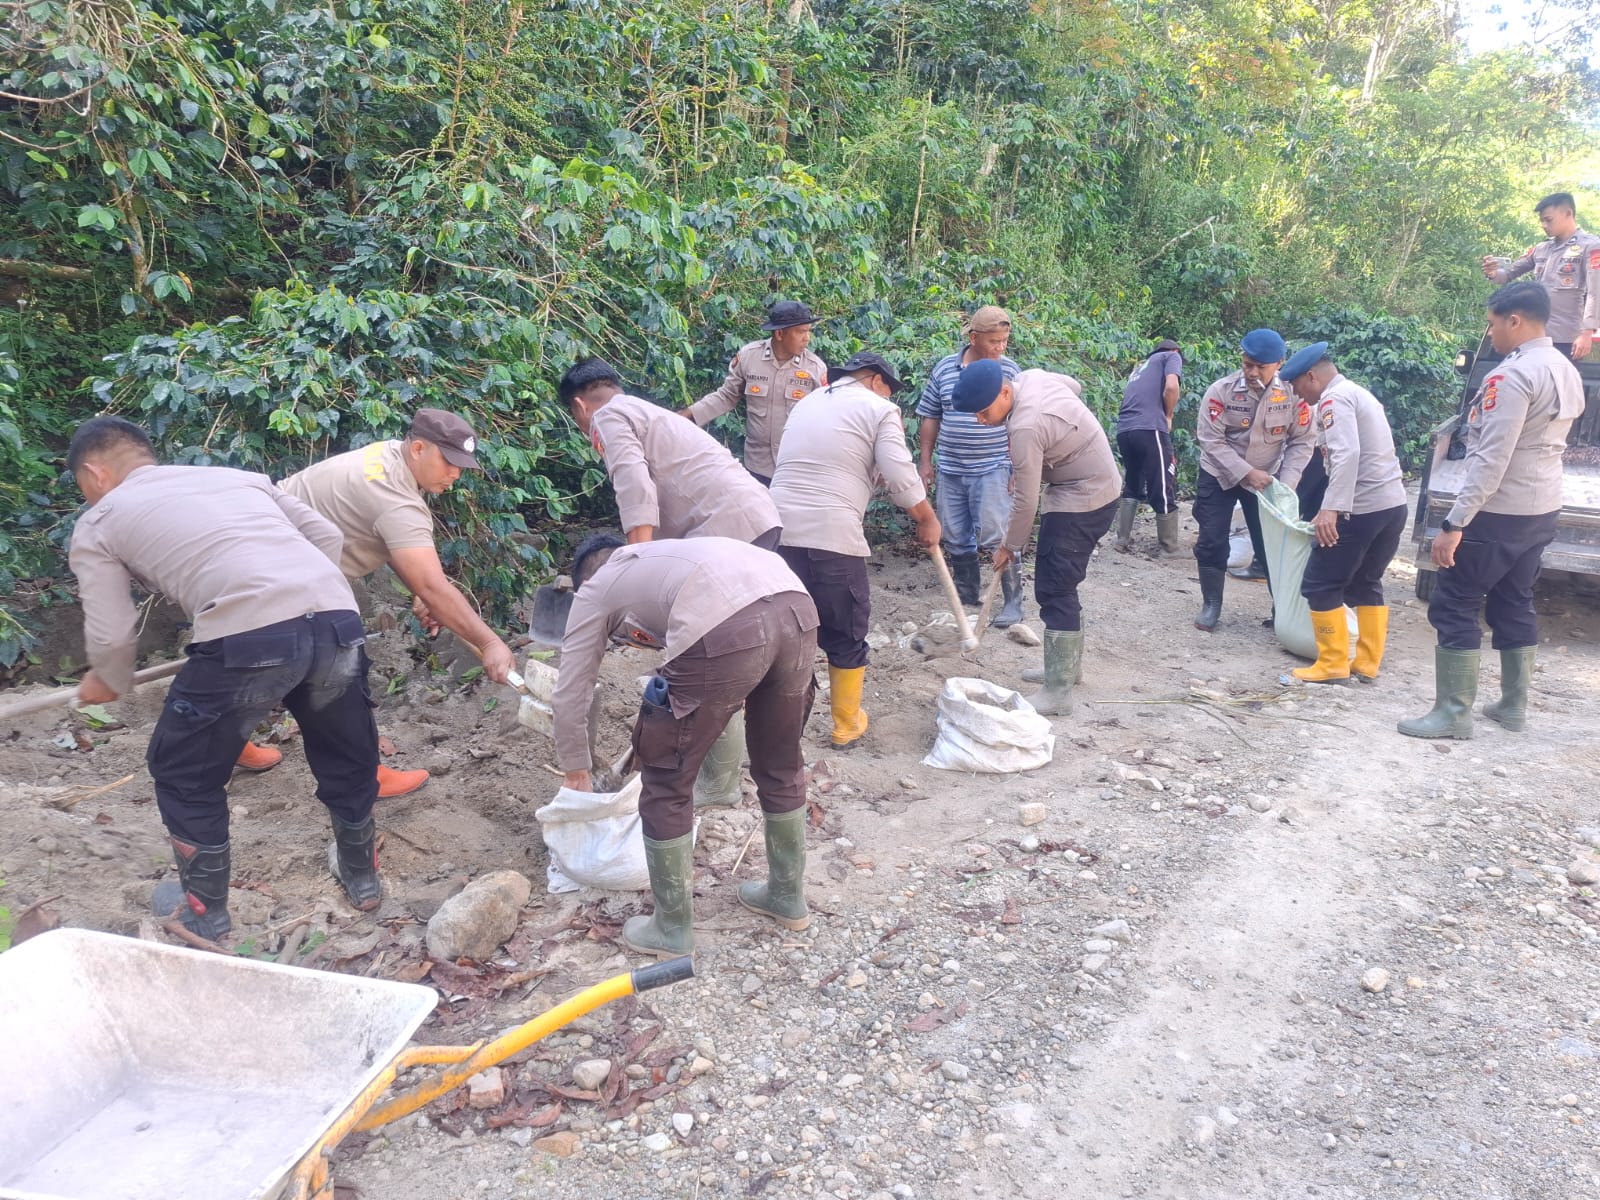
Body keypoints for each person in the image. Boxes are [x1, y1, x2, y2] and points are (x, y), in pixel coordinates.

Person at [66, 416, 384, 940]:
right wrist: (302, 596)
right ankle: (362, 879)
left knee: (183, 771)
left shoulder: (100, 520)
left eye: (83, 485)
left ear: (95, 472)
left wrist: (108, 676)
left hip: (245, 640)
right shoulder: (239, 478)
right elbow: (326, 535)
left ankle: (204, 912)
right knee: (347, 750)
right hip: (337, 624)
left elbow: (113, 629)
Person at [552, 536, 820, 957]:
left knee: (665, 780)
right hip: (797, 609)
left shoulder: (596, 589)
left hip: (727, 624)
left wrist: (575, 770)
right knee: (781, 763)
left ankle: (671, 930)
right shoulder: (663, 558)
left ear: (586, 578)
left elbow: (571, 688)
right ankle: (787, 897)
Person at [242, 409, 517, 798]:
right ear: (418, 448)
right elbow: (432, 583)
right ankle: (365, 775)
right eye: (449, 462)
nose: (456, 475)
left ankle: (227, 741)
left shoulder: (387, 455)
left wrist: (421, 590)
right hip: (279, 573)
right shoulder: (396, 499)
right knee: (340, 668)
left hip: (256, 550)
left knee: (248, 660)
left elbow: (386, 539)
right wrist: (489, 642)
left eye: (462, 466)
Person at [1400, 282, 1585, 739]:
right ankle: (1512, 706)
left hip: (1498, 511)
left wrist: (1454, 522)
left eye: (1492, 323)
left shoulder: (1512, 376)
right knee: (1514, 598)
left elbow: (1491, 458)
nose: (1491, 333)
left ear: (1514, 320)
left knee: (1454, 602)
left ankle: (1453, 714)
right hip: (1542, 507)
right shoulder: (1564, 367)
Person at [768, 351, 942, 749]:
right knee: (846, 630)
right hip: (831, 536)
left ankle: (765, 720)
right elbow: (900, 475)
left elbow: (806, 461)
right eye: (889, 388)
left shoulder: (808, 402)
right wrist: (926, 518)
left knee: (782, 632)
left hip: (775, 531)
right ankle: (846, 725)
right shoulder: (880, 409)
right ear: (876, 380)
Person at [949, 360, 1122, 715]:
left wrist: (1009, 546)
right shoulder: (1032, 378)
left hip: (1085, 496)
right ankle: (1066, 670)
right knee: (1063, 584)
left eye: (984, 412)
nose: (981, 421)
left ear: (1005, 392)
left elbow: (1025, 501)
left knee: (1055, 587)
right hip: (1089, 485)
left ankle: (1058, 693)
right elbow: (1074, 385)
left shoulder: (1025, 427)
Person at [1277, 343, 1408, 684]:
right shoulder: (1359, 393)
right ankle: (1366, 662)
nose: (1296, 394)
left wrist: (1330, 509)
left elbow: (1346, 454)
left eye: (1297, 385)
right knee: (1366, 581)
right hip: (1392, 504)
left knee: (1320, 583)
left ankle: (1332, 662)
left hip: (1361, 508)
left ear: (1311, 376)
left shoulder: (1333, 399)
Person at [561, 358, 782, 548]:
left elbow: (633, 480)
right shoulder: (645, 410)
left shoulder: (606, 415)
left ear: (580, 406)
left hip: (723, 526)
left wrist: (638, 556)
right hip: (757, 516)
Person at [1191, 328, 1315, 631]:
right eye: (1248, 364)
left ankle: (1281, 610)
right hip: (1219, 475)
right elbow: (1211, 439)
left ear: (1279, 364)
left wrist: (1286, 485)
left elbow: (1302, 441)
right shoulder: (1221, 391)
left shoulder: (1292, 395)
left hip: (1267, 481)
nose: (1252, 372)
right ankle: (1211, 604)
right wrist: (1246, 473)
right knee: (1211, 540)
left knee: (1272, 545)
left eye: (1261, 366)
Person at [915, 306, 1026, 625]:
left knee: (996, 532)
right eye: (994, 341)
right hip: (951, 466)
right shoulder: (945, 369)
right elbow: (931, 415)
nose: (1000, 347)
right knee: (954, 533)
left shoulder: (1010, 370)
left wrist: (1017, 467)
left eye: (1005, 340)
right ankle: (966, 594)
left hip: (993, 465)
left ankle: (1012, 602)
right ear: (974, 338)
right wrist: (926, 461)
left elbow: (1020, 422)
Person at [685, 300, 828, 484]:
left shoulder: (815, 369)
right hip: (757, 466)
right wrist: (688, 416)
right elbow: (726, 396)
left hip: (795, 468)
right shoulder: (749, 357)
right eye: (801, 331)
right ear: (779, 333)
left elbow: (826, 417)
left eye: (808, 331)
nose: (807, 338)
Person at [1481, 192, 1599, 360]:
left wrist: (1587, 332)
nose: (1544, 225)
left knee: (1557, 377)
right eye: (1542, 221)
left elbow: (1596, 292)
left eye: (1548, 220)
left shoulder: (1590, 246)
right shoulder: (1541, 249)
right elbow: (1507, 275)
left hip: (1565, 338)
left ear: (1568, 213)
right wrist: (1493, 273)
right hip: (1533, 336)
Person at [1112, 338, 1183, 554]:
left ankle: (1121, 539)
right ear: (1175, 351)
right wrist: (1168, 416)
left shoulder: (1139, 369)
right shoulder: (1171, 356)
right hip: (1150, 428)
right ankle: (1169, 547)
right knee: (1162, 483)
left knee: (1133, 481)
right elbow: (1171, 387)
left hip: (1125, 430)